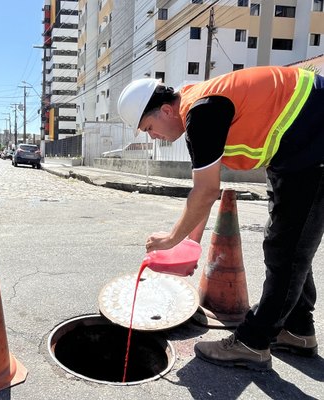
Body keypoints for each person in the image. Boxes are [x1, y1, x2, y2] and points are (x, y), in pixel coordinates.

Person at [117, 66, 323, 371]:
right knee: (286, 241)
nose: (155, 137)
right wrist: (190, 247)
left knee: (286, 251)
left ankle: (252, 343)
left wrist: (171, 240)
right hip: (294, 152)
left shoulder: (202, 111)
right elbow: (204, 193)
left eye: (149, 128)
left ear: (164, 110)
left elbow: (206, 191)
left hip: (313, 141)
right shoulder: (195, 108)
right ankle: (297, 328)